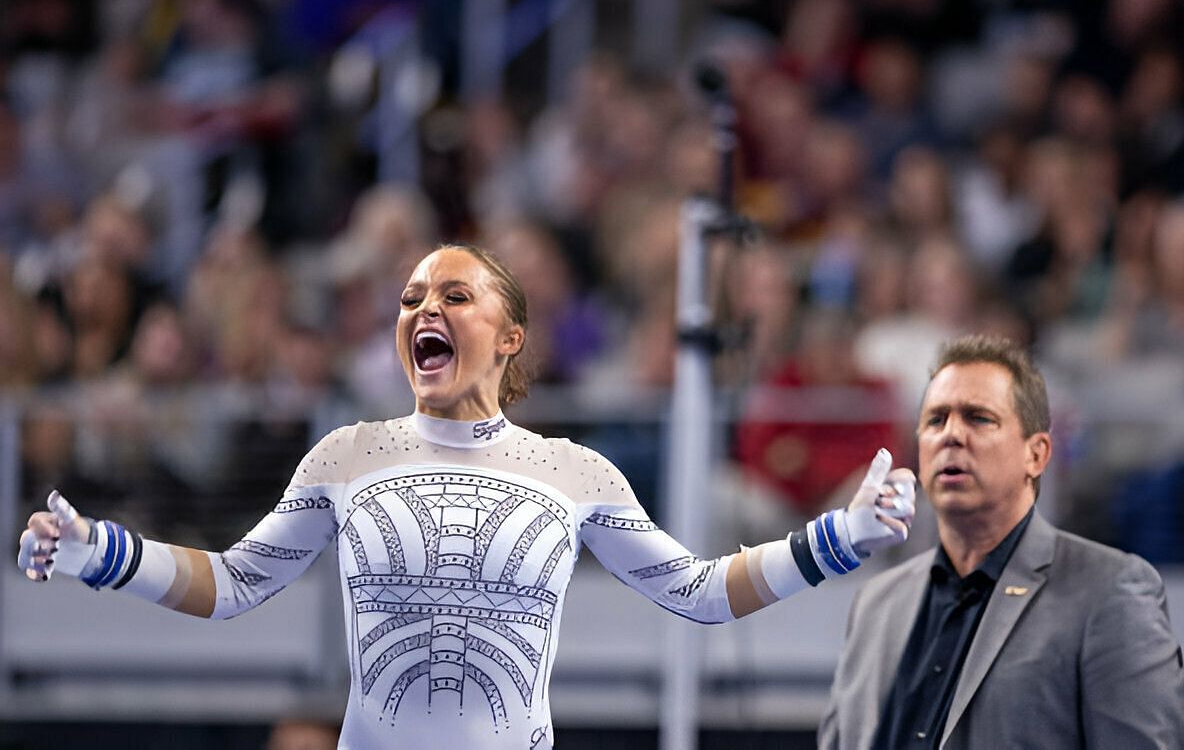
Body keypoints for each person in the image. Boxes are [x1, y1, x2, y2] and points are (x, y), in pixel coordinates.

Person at [17, 244, 916, 750]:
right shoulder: (348, 455)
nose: (424, 309)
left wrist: (841, 536)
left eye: (455, 294)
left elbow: (705, 593)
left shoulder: (574, 472)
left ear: (510, 335)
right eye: (410, 298)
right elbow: (232, 585)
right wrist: (102, 554)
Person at [818, 334, 1184, 750]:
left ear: (1036, 454)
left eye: (978, 418)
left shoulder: (1110, 591)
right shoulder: (876, 604)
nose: (951, 435)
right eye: (936, 420)